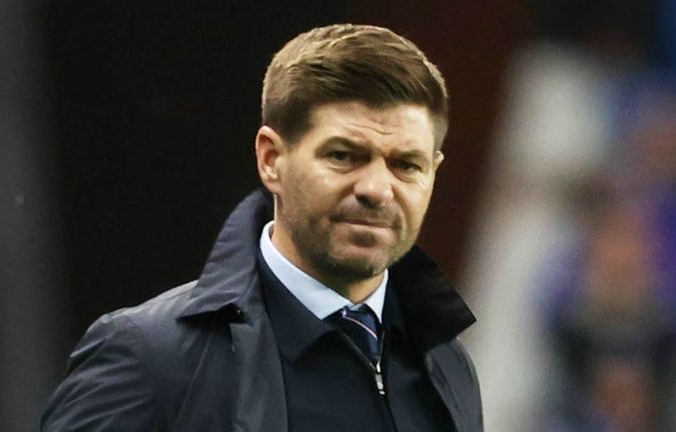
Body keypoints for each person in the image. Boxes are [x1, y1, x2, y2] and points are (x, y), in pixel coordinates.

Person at [41, 23, 482, 432]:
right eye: (343, 155)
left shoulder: (445, 363)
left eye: (406, 165)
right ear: (271, 159)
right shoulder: (151, 358)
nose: (376, 189)